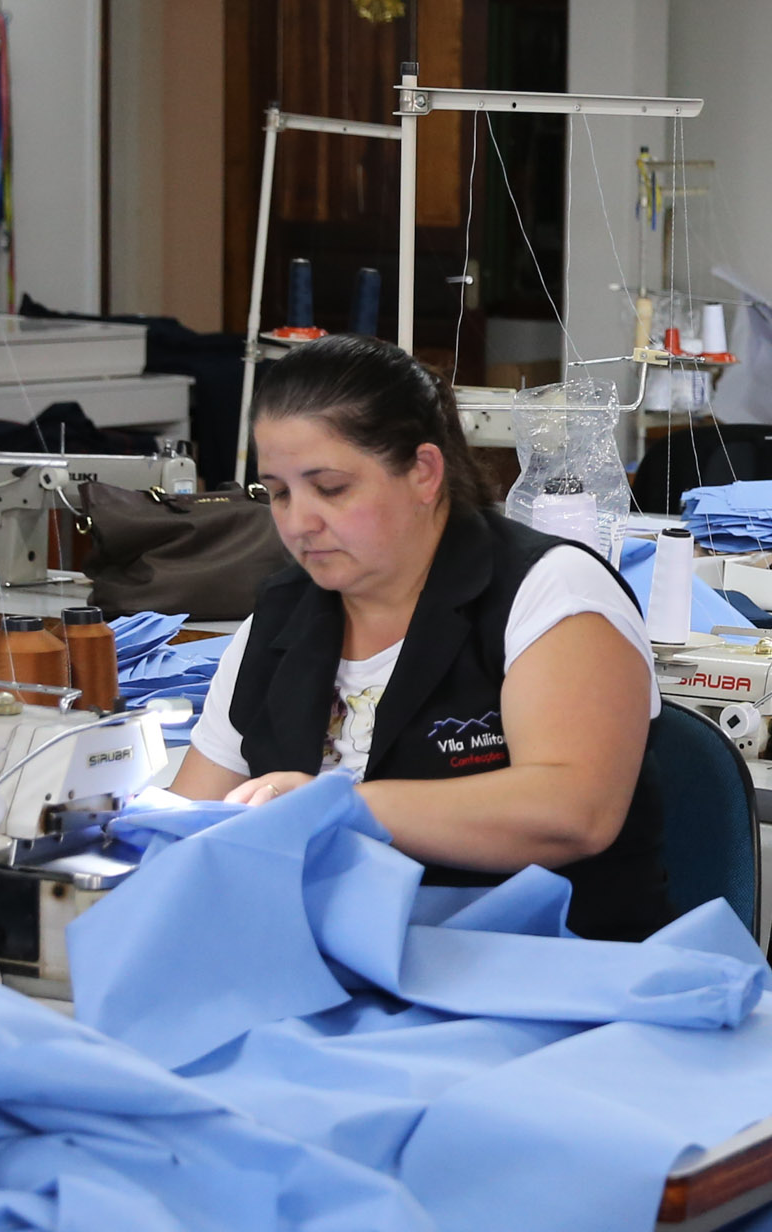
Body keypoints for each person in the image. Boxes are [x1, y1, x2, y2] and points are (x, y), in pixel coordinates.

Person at [173, 336, 672, 942]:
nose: (298, 522)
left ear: (423, 472)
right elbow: (191, 827)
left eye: (330, 488)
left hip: (537, 966)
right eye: (278, 493)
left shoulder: (551, 595)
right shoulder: (279, 620)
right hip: (333, 963)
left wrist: (342, 807)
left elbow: (573, 811)